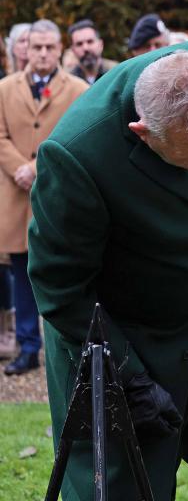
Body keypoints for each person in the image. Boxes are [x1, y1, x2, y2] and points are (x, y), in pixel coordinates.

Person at [29, 39, 188, 499]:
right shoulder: (76, 156)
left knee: (161, 480)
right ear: (142, 131)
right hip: (113, 340)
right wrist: (128, 377)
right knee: (116, 487)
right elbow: (59, 289)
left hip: (186, 329)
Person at [0, 20, 89, 376]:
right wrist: (19, 167)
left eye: (50, 47)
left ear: (59, 48)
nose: (42, 53)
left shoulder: (79, 89)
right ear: (26, 47)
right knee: (20, 273)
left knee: (60, 275)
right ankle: (27, 346)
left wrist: (36, 167)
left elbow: (78, 135)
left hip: (56, 197)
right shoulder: (5, 88)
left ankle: (67, 346)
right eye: (36, 46)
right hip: (15, 197)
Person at [67, 19, 117, 85]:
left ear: (101, 45)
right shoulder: (69, 81)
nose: (85, 48)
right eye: (79, 44)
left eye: (90, 42)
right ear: (73, 50)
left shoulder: (116, 72)